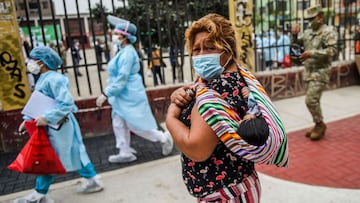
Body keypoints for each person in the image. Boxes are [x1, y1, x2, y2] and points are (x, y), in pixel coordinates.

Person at [166, 13, 288, 202]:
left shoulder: (213, 92)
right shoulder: (241, 79)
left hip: (225, 195)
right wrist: (182, 96)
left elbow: (196, 149)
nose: (200, 55)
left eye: (209, 47)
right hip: (244, 185)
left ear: (227, 50)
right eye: (196, 50)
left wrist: (171, 117)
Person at [16, 46, 104, 203]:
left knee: (51, 156)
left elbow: (66, 103)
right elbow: (39, 103)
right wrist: (27, 119)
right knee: (74, 151)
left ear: (42, 62)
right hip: (59, 124)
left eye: (32, 59)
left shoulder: (54, 79)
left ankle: (39, 194)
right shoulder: (44, 78)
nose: (29, 63)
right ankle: (93, 179)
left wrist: (47, 117)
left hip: (59, 125)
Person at [95, 19, 173, 163]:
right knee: (119, 123)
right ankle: (124, 151)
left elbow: (122, 78)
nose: (113, 35)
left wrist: (106, 93)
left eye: (117, 33)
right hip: (121, 95)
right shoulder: (122, 51)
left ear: (124, 37)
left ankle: (163, 138)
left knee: (134, 124)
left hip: (128, 94)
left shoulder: (128, 54)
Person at [291, 4, 337, 140]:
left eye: (313, 19)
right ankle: (318, 124)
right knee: (313, 101)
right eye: (309, 19)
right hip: (308, 71)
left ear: (321, 17)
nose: (311, 22)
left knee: (310, 100)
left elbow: (332, 51)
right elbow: (298, 44)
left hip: (321, 71)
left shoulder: (328, 31)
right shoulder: (308, 31)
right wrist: (294, 35)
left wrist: (312, 53)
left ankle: (320, 124)